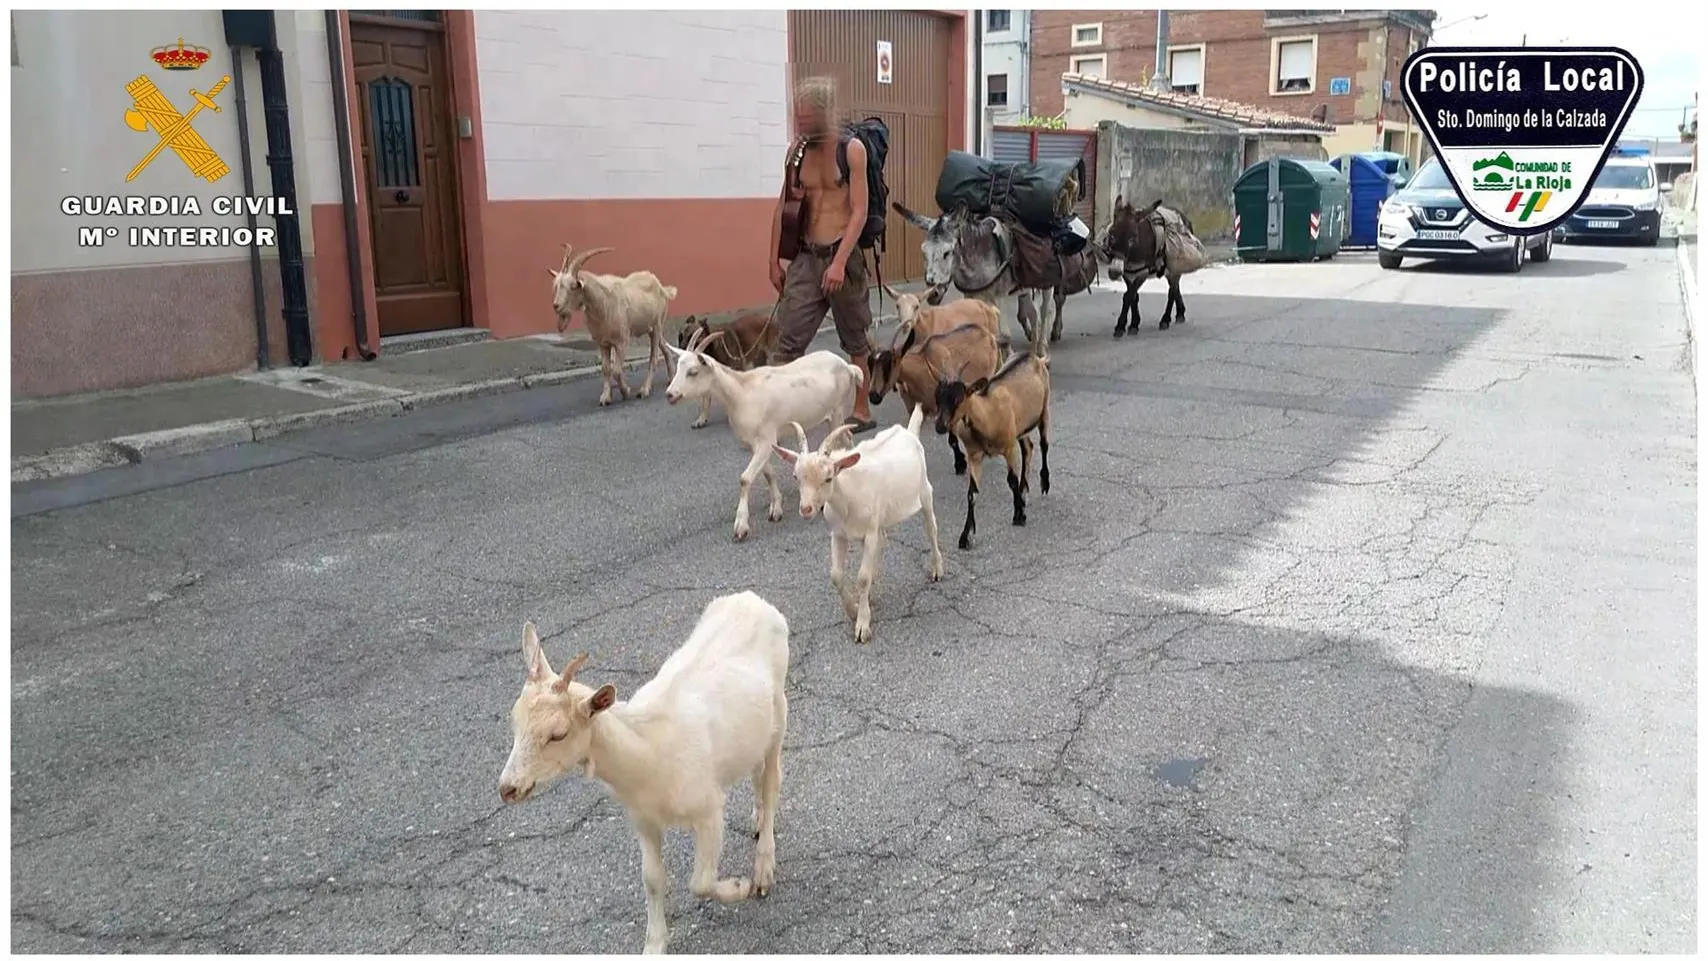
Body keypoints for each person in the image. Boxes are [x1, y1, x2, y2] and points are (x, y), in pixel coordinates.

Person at [768, 76, 876, 435]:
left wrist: (841, 261)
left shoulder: (852, 150)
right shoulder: (796, 153)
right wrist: (773, 259)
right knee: (787, 339)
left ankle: (861, 410)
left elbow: (859, 210)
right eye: (797, 117)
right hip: (806, 257)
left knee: (855, 338)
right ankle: (779, 414)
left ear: (825, 113)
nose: (799, 124)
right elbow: (784, 205)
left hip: (842, 255)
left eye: (805, 117)